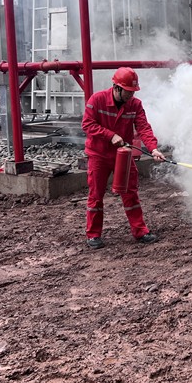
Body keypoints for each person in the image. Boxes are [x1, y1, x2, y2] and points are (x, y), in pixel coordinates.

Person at [81, 67, 166, 249]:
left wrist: (153, 149)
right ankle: (93, 235)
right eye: (128, 91)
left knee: (130, 193)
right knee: (96, 195)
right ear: (116, 88)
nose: (131, 95)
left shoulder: (135, 105)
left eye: (133, 92)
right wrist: (110, 135)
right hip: (98, 155)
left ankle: (140, 231)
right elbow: (87, 124)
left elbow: (143, 127)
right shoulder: (97, 100)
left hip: (123, 155)